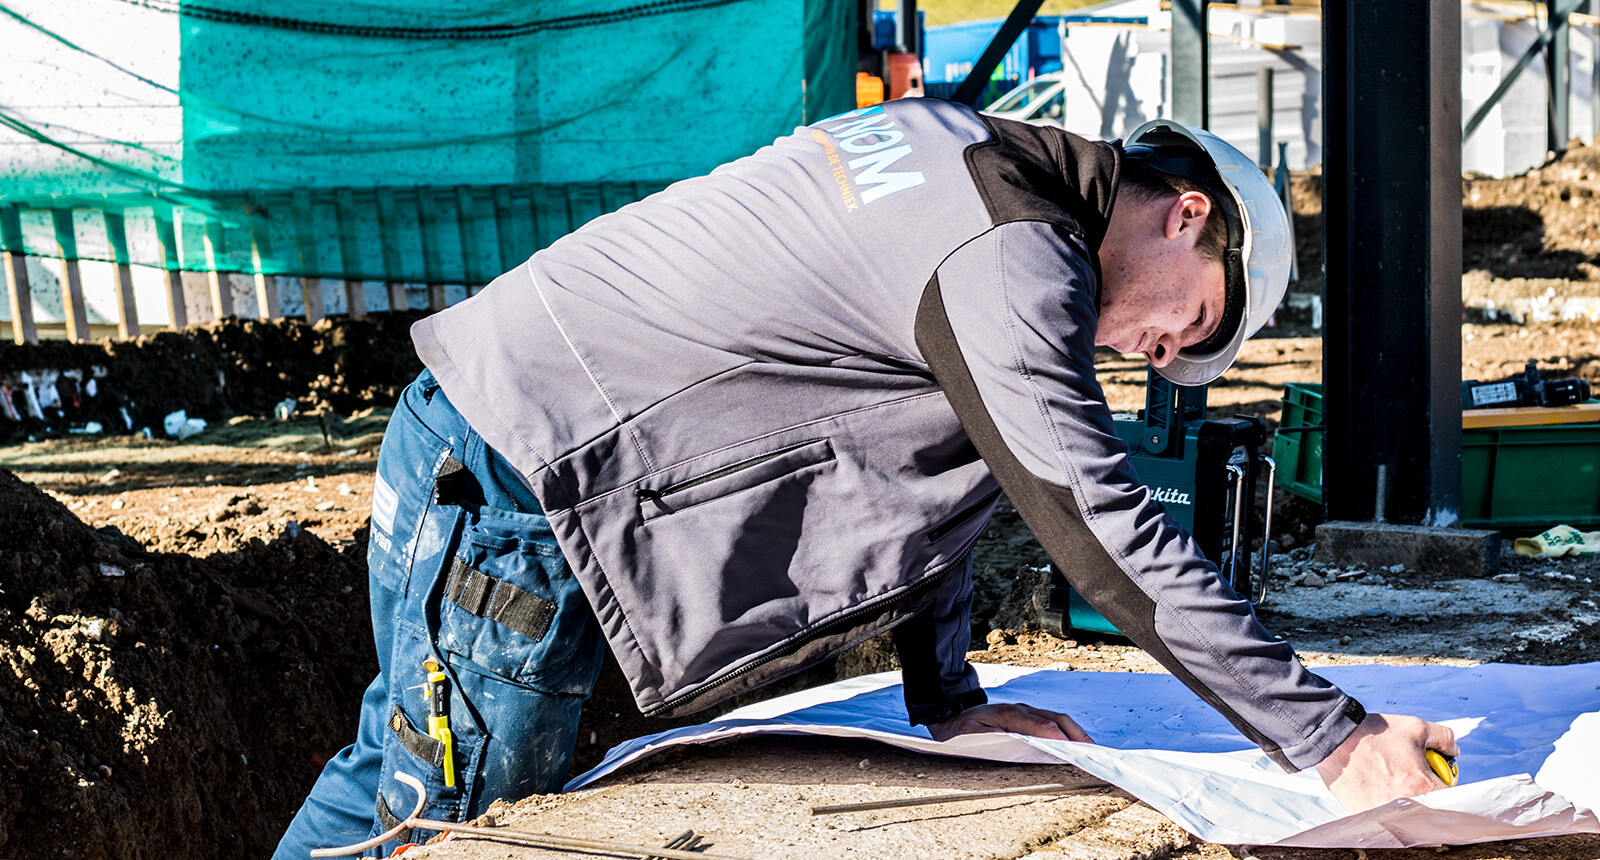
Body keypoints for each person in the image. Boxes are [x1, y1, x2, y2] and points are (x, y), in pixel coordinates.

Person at [273, 99, 1457, 857]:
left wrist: (945, 697)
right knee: (461, 824)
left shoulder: (969, 153)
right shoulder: (1009, 251)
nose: (1150, 351)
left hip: (487, 444)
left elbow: (941, 466)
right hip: (515, 487)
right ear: (1186, 215)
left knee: (401, 771)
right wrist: (1329, 735)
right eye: (1183, 325)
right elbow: (1094, 517)